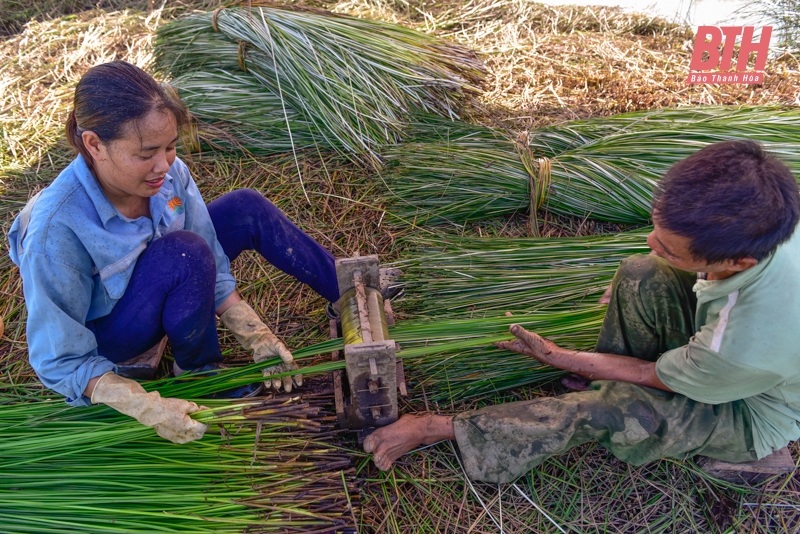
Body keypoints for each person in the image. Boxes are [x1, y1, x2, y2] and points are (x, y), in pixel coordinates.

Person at [364, 140, 800, 482]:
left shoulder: (746, 341)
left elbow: (654, 377)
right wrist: (658, 264)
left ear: (737, 262)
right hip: (731, 356)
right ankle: (599, 367)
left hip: (748, 408)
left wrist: (557, 356)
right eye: (656, 228)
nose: (652, 242)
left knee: (612, 407)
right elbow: (666, 256)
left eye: (670, 248)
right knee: (640, 271)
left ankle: (439, 428)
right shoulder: (768, 219)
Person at [8, 61, 341, 444]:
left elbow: (211, 257)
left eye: (170, 147)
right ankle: (198, 375)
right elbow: (60, 359)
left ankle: (344, 289)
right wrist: (142, 405)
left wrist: (254, 332)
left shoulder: (169, 174)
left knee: (244, 208)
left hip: (167, 269)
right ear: (95, 144)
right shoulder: (58, 228)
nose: (164, 164)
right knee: (183, 253)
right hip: (114, 332)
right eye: (147, 153)